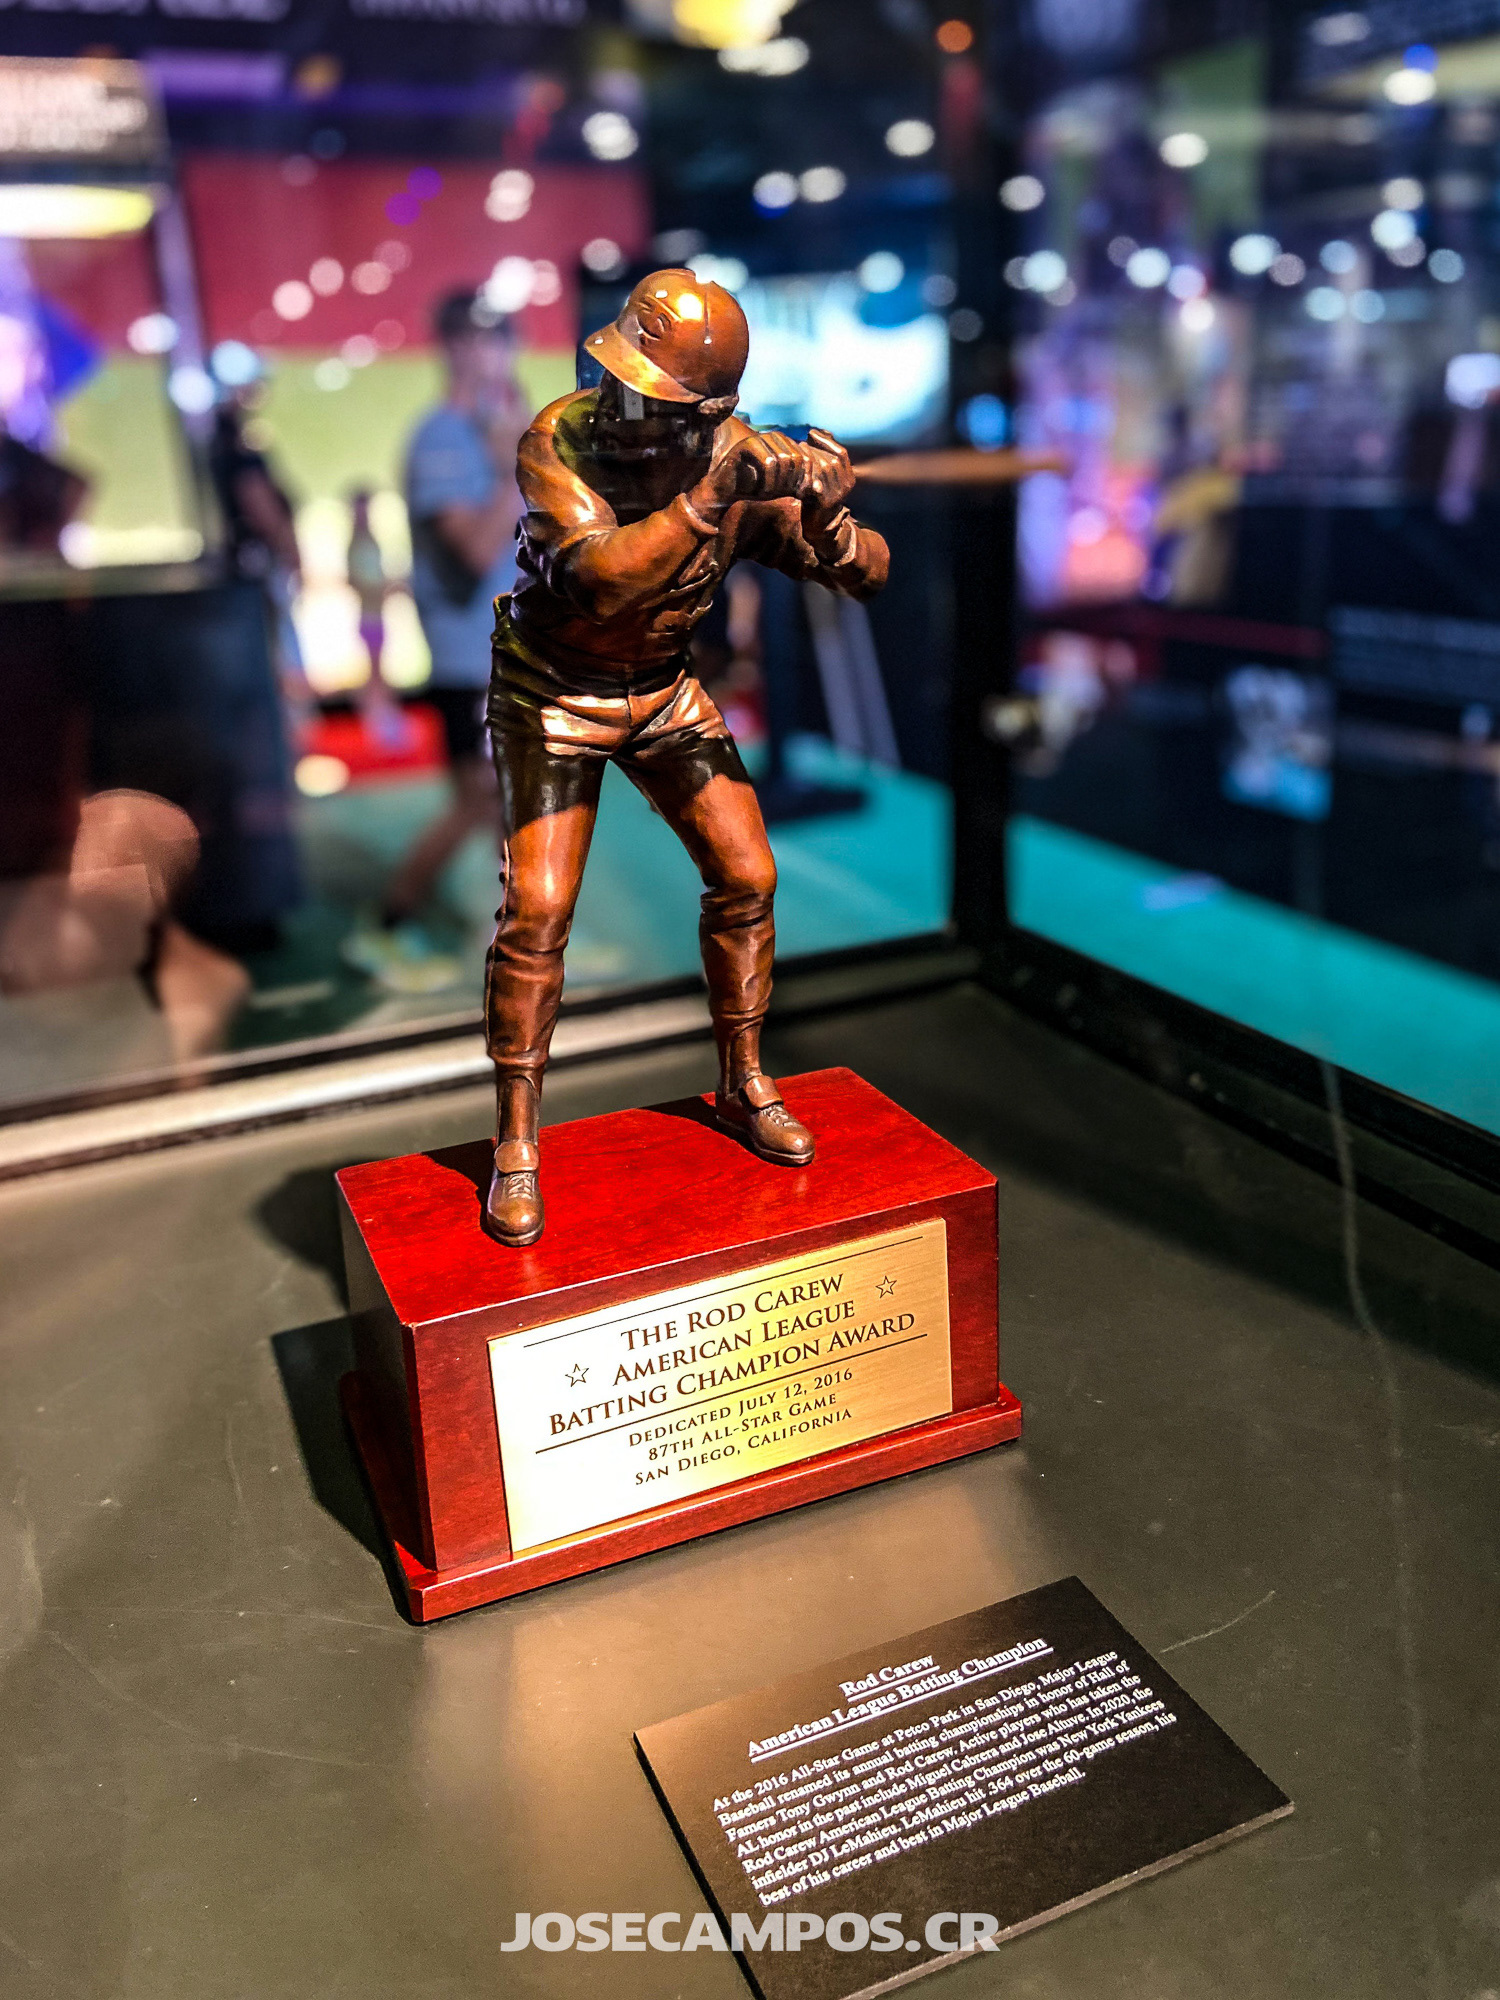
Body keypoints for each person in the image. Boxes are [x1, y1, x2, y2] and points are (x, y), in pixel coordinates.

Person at [482, 267, 889, 1245]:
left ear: (704, 413)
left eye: (646, 395)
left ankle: (744, 1081)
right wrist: (713, 496)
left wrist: (827, 518)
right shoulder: (559, 439)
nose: (615, 401)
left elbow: (867, 575)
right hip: (552, 693)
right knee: (538, 909)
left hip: (664, 691)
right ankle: (516, 1142)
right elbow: (599, 584)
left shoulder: (734, 461)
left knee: (749, 874)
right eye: (615, 376)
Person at [343, 290, 526, 992]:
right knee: (480, 803)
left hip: (502, 652)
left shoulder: (486, 432)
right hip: (469, 658)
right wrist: (513, 467)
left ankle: (515, 938)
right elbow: (477, 549)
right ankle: (388, 923)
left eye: (504, 339)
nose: (497, 355)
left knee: (505, 807)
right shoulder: (442, 438)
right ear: (454, 347)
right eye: (484, 340)